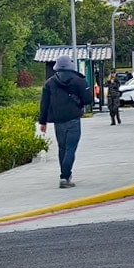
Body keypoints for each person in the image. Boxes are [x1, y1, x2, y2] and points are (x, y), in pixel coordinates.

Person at [38, 55, 93, 188]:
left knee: (62, 148)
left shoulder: (49, 83)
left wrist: (43, 122)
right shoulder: (79, 80)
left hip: (58, 121)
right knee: (70, 148)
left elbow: (44, 104)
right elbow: (88, 99)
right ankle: (65, 177)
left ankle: (65, 176)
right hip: (73, 119)